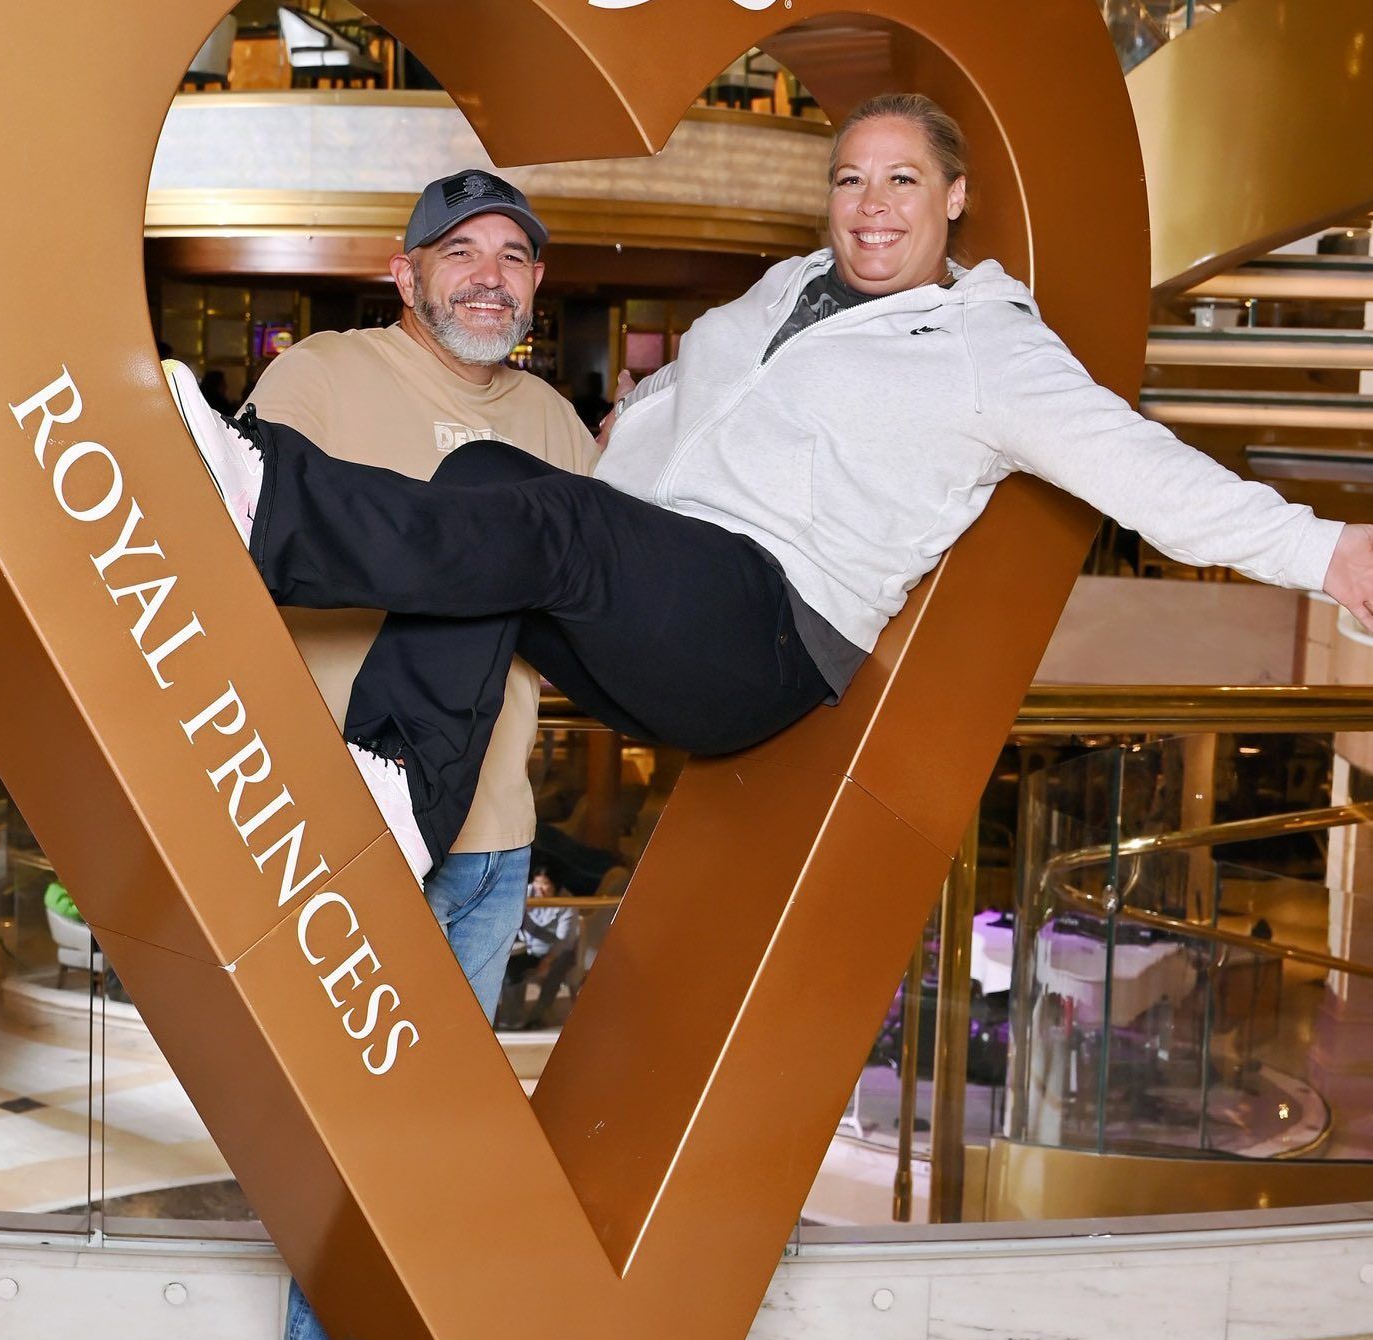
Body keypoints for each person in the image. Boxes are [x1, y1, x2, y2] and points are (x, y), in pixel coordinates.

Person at [165, 84, 1373, 914]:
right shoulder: (791, 284)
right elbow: (686, 389)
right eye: (851, 178)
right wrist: (620, 441)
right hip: (668, 591)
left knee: (537, 519)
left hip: (769, 631)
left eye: (903, 178)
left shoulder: (986, 347)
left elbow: (1140, 467)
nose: (871, 204)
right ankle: (399, 786)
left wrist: (1326, 552)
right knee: (488, 480)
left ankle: (264, 506)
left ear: (953, 197)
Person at [242, 168, 594, 1340]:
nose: (490, 277)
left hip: (493, 841)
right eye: (461, 252)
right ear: (404, 274)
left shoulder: (562, 427)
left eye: (513, 255)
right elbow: (228, 558)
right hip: (346, 837)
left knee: (431, 1167)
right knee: (357, 1161)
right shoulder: (323, 380)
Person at [500, 862, 581, 1030]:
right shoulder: (527, 892)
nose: (540, 889)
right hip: (527, 947)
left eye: (545, 884)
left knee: (559, 965)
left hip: (556, 951)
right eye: (538, 883)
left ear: (555, 885)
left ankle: (538, 1015)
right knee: (509, 969)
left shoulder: (567, 903)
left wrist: (548, 961)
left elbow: (564, 940)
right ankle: (512, 1018)